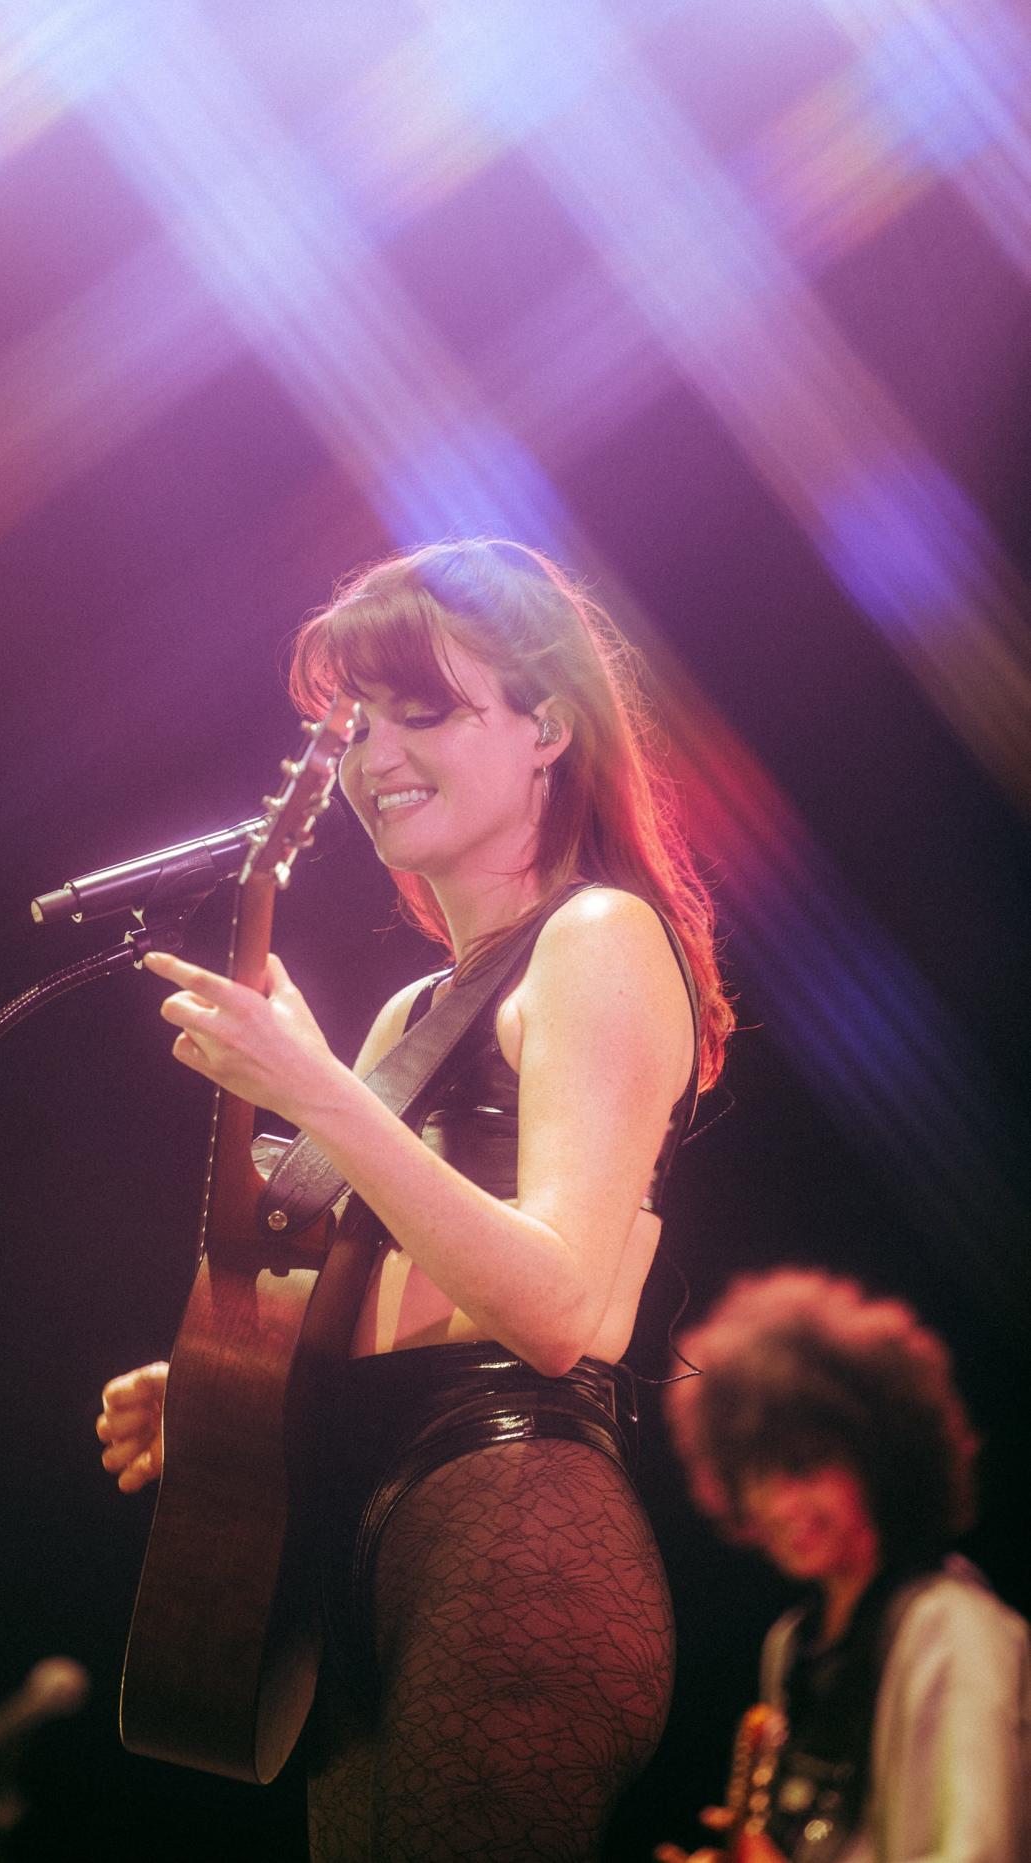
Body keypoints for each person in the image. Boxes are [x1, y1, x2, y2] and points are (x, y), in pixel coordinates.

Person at [95, 537, 733, 1861]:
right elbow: (401, 1276)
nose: (371, 750)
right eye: (354, 719)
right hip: (366, 1537)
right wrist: (231, 1383)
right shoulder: (409, 1010)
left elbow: (551, 1300)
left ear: (545, 723)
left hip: (511, 1524)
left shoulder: (596, 938)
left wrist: (321, 1093)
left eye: (419, 707)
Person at [655, 1269, 1030, 1863]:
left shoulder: (955, 1629)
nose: (780, 1505)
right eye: (758, 1476)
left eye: (805, 1468)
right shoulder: (791, 1645)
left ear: (878, 1460)